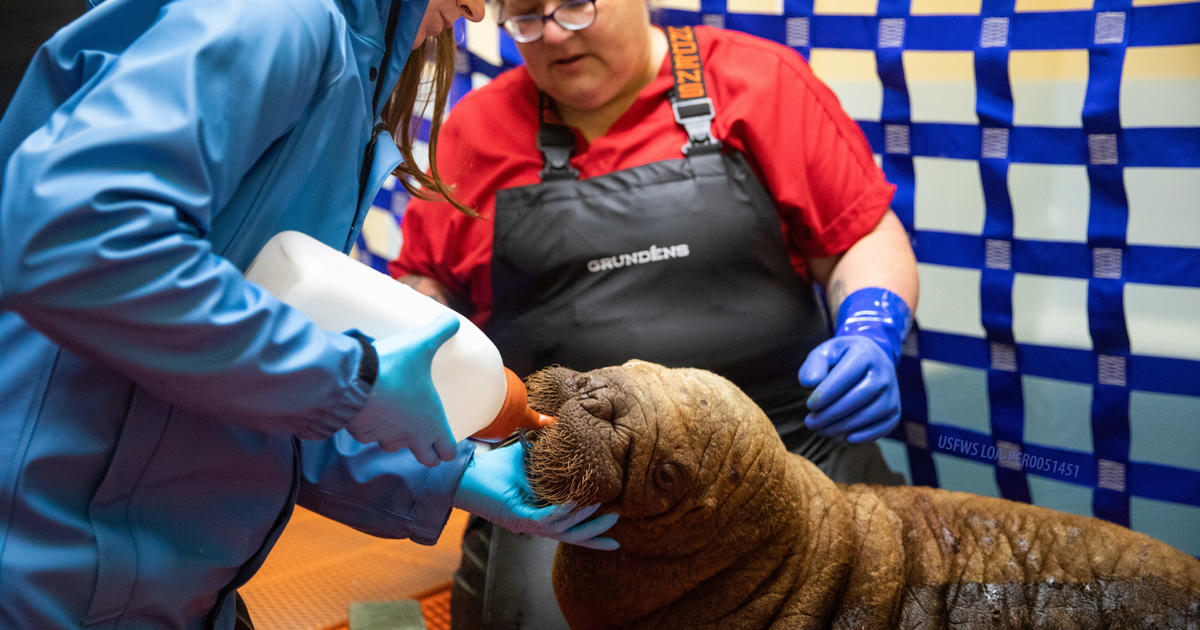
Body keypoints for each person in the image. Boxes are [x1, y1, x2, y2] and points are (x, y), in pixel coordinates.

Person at [0, 0, 618, 627]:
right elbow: (74, 235)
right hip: (47, 579)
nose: (478, 9)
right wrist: (347, 380)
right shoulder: (277, 18)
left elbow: (226, 374)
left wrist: (437, 472)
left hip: (168, 589)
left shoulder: (354, 76)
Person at [389, 0, 920, 627]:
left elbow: (860, 237)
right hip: (572, 478)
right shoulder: (476, 132)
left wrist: (871, 333)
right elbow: (427, 286)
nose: (555, 35)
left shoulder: (763, 82)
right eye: (527, 19)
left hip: (795, 453)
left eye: (575, 7)